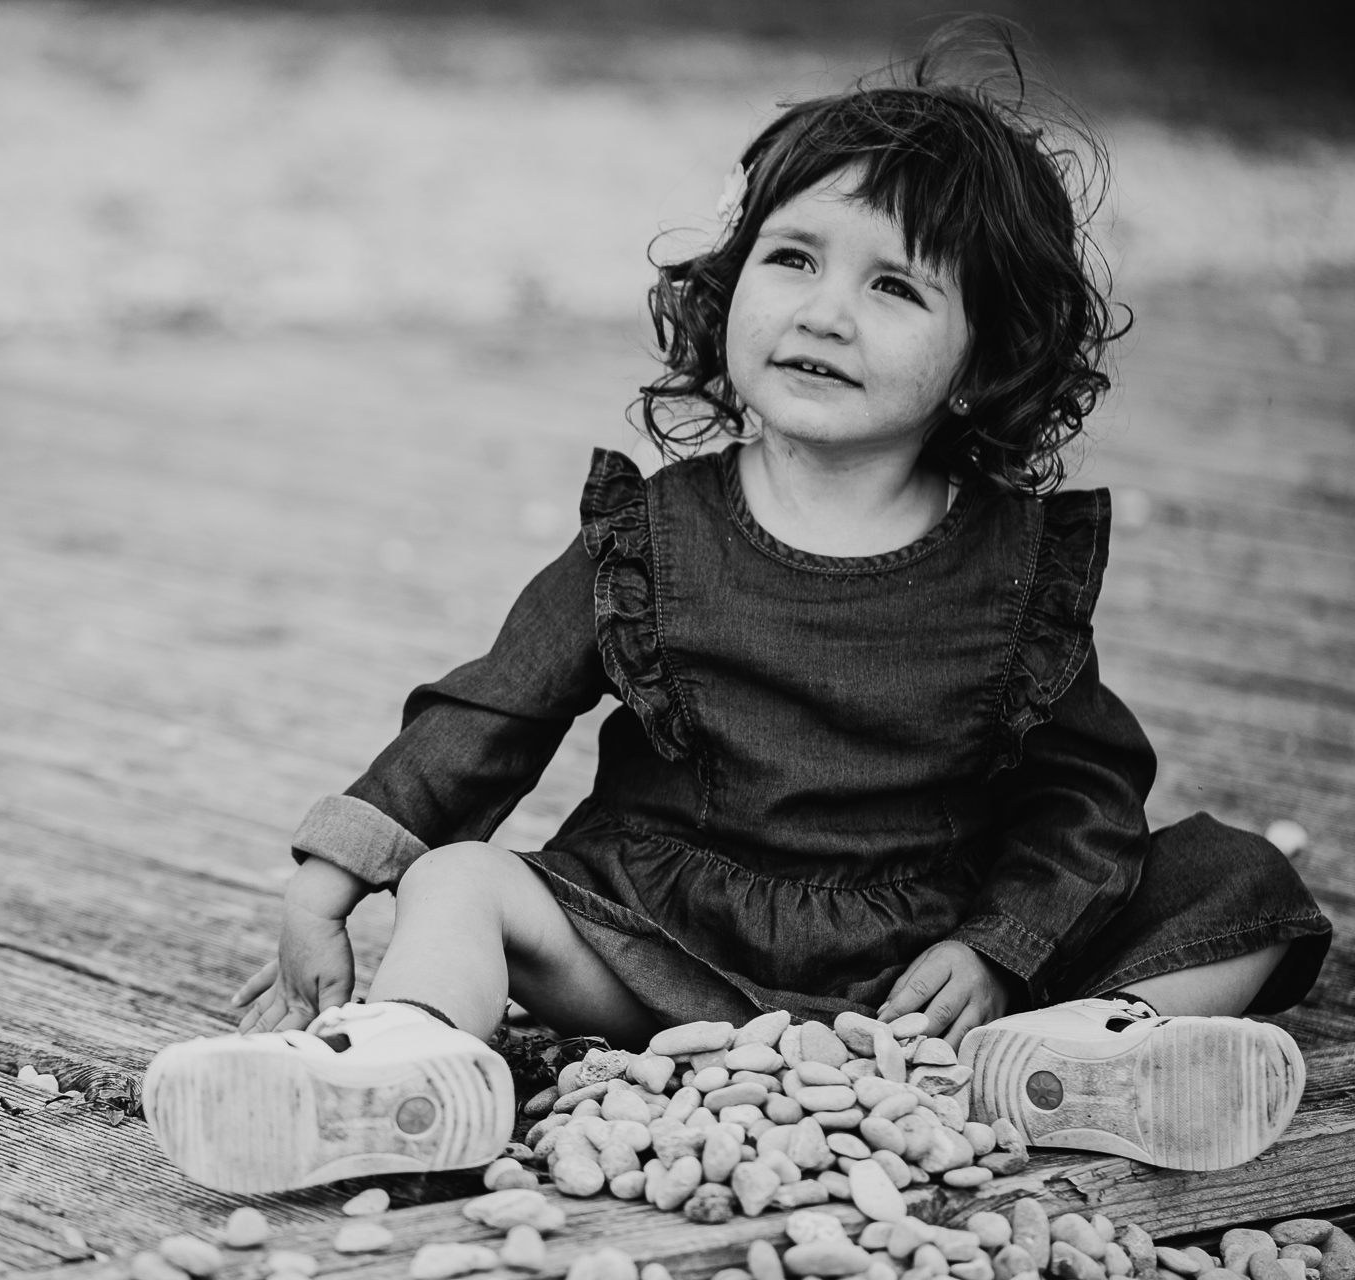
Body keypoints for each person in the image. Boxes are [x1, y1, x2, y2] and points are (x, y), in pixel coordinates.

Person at [141, 27, 1331, 1195]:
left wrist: (998, 947)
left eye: (894, 286)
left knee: (1243, 882)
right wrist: (335, 872)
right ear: (729, 284)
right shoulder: (650, 538)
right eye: (793, 259)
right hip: (659, 948)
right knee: (457, 878)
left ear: (984, 359)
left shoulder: (1015, 566)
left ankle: (1086, 1052)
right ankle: (403, 1071)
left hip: (926, 967)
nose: (823, 312)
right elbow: (492, 709)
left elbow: (1083, 791)